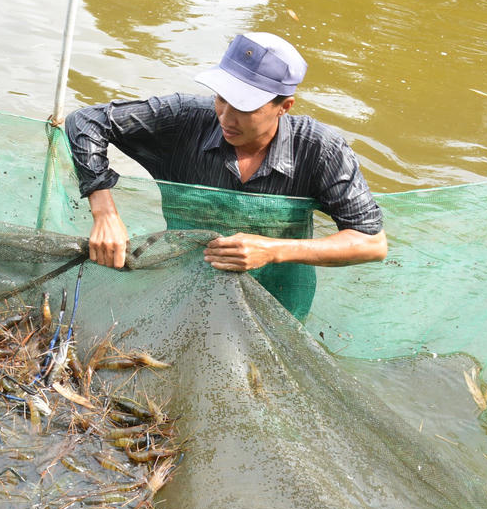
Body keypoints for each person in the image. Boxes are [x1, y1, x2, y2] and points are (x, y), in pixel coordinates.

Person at [65, 32, 387, 315]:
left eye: (245, 107)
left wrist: (272, 250)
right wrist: (104, 211)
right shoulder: (185, 119)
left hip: (278, 305)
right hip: (183, 288)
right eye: (222, 98)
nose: (226, 117)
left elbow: (371, 243)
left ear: (284, 106)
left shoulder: (320, 150)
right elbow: (86, 121)